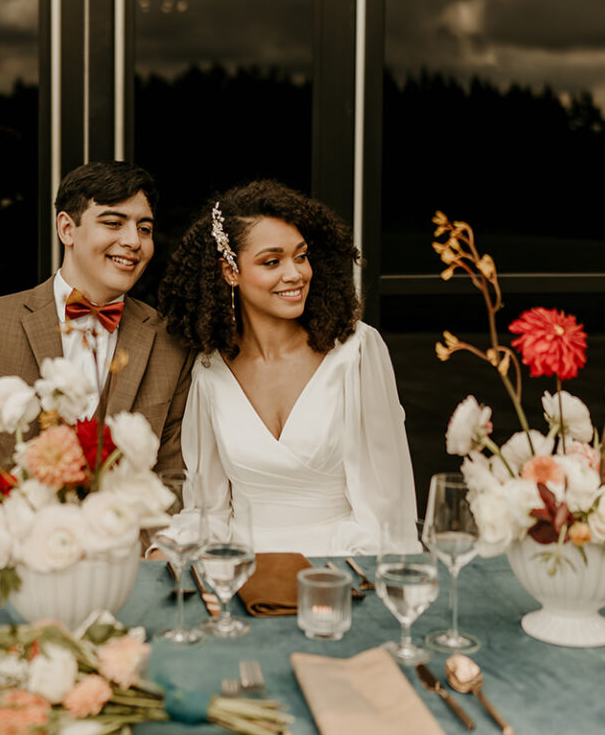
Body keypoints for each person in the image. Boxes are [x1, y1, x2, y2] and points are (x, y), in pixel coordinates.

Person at [157, 180, 418, 554]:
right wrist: (165, 548)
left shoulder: (355, 352)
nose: (295, 274)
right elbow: (208, 512)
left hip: (340, 575)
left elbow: (387, 511)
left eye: (301, 255)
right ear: (230, 271)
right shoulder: (210, 372)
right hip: (242, 580)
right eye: (271, 261)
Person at [0, 160, 193, 480]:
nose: (133, 241)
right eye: (113, 223)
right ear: (67, 229)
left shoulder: (172, 343)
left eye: (145, 228)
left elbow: (175, 479)